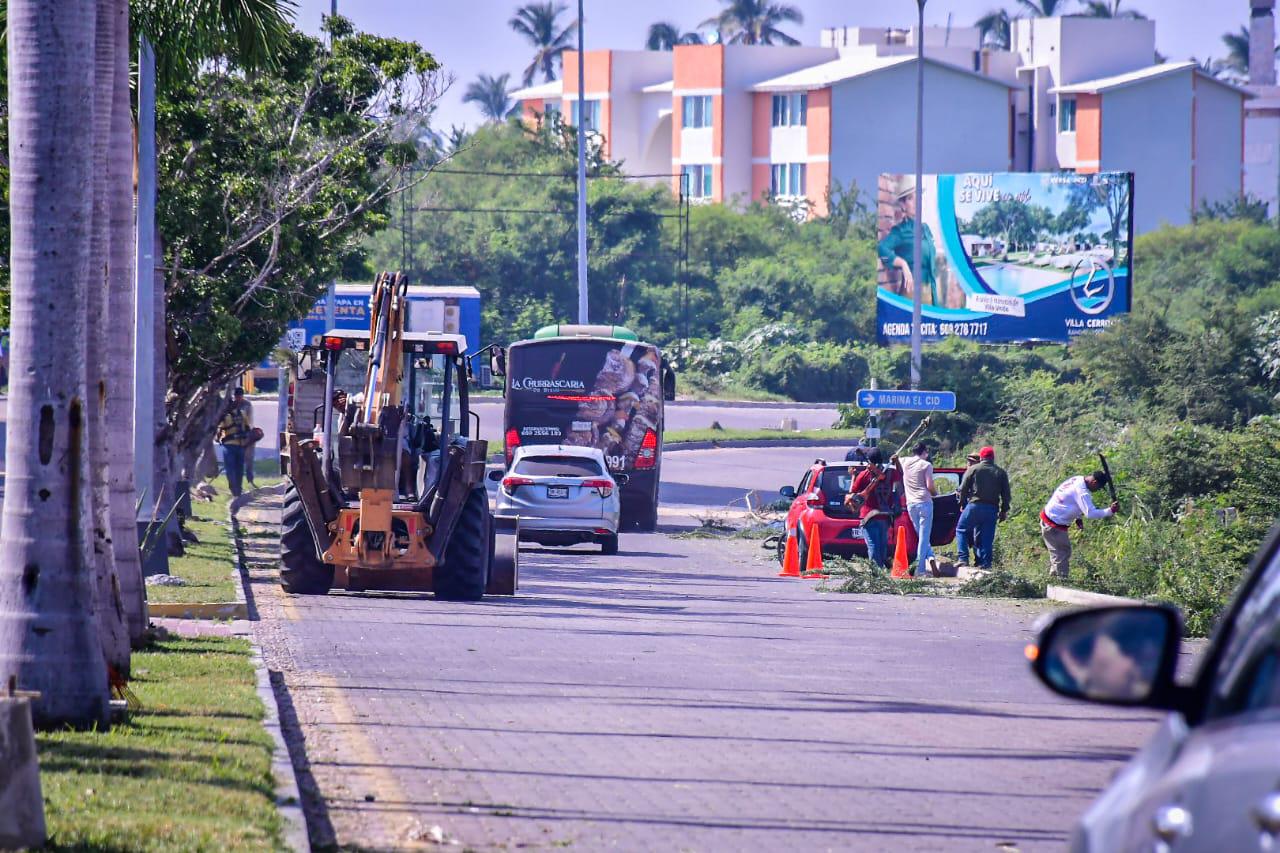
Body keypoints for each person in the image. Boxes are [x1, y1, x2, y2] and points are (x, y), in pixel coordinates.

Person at [1041, 470, 1119, 580]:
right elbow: (1090, 513)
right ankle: (1061, 584)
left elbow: (1072, 500)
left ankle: (1052, 583)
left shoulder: (1077, 479)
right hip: (1054, 526)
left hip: (1049, 518)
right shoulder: (1083, 492)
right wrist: (1110, 511)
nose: (1097, 490)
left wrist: (1078, 517)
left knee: (1058, 554)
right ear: (1094, 482)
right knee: (1062, 554)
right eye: (1099, 487)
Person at [877, 182, 939, 306]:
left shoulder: (925, 229)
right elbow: (881, 248)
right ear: (903, 205)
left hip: (930, 291)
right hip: (912, 294)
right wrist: (902, 263)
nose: (916, 201)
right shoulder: (900, 231)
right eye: (911, 198)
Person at [956, 446, 1010, 569]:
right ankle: (985, 565)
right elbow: (1006, 495)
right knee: (986, 537)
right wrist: (1004, 511)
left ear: (981, 457)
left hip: (974, 506)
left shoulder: (973, 469)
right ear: (993, 458)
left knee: (961, 529)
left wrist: (962, 504)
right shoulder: (1000, 472)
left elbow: (963, 488)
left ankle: (963, 558)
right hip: (992, 509)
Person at [847, 448, 901, 569]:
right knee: (881, 547)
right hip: (885, 516)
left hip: (869, 516)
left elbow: (853, 492)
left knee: (873, 546)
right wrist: (896, 462)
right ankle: (880, 573)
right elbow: (901, 475)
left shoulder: (865, 475)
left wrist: (853, 476)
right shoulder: (890, 472)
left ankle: (876, 575)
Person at [896, 441, 938, 578]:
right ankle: (920, 570)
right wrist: (935, 494)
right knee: (924, 538)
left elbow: (896, 461)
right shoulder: (926, 465)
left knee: (921, 536)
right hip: (924, 502)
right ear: (924, 452)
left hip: (911, 504)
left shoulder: (905, 461)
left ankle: (930, 557)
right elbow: (929, 485)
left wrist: (895, 458)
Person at [216, 391, 253, 497]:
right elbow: (247, 428)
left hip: (229, 446)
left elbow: (219, 431)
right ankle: (239, 489)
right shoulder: (242, 414)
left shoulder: (225, 417)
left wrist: (218, 439)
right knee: (239, 468)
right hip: (240, 445)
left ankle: (233, 489)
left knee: (230, 469)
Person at [232, 387, 258, 488]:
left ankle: (250, 480)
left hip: (248, 435)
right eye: (236, 396)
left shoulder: (247, 405)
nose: (237, 398)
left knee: (249, 459)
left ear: (242, 396)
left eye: (239, 396)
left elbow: (249, 421)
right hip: (235, 436)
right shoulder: (232, 405)